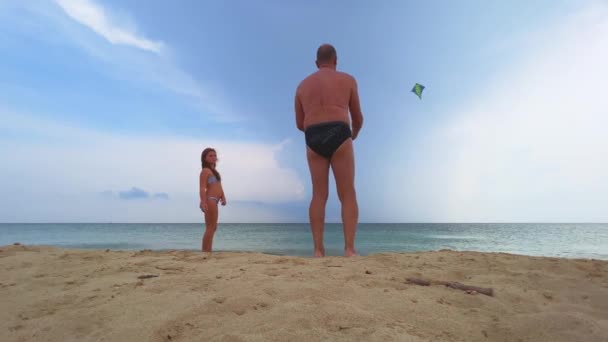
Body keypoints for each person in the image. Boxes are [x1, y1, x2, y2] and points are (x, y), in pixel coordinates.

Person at [294, 43, 364, 257]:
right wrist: (353, 133)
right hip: (339, 130)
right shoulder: (348, 80)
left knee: (319, 194)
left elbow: (299, 123)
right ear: (336, 60)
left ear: (317, 63)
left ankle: (318, 250)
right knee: (347, 193)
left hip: (313, 135)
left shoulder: (302, 86)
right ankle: (350, 249)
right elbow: (358, 117)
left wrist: (316, 130)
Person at [199, 147, 226, 253]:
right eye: (210, 155)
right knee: (210, 228)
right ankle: (205, 251)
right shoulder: (205, 171)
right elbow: (202, 188)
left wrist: (223, 197)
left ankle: (208, 250)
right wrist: (203, 201)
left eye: (215, 155)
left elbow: (219, 186)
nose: (214, 157)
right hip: (210, 200)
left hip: (215, 201)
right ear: (205, 158)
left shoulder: (214, 171)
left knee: (213, 227)